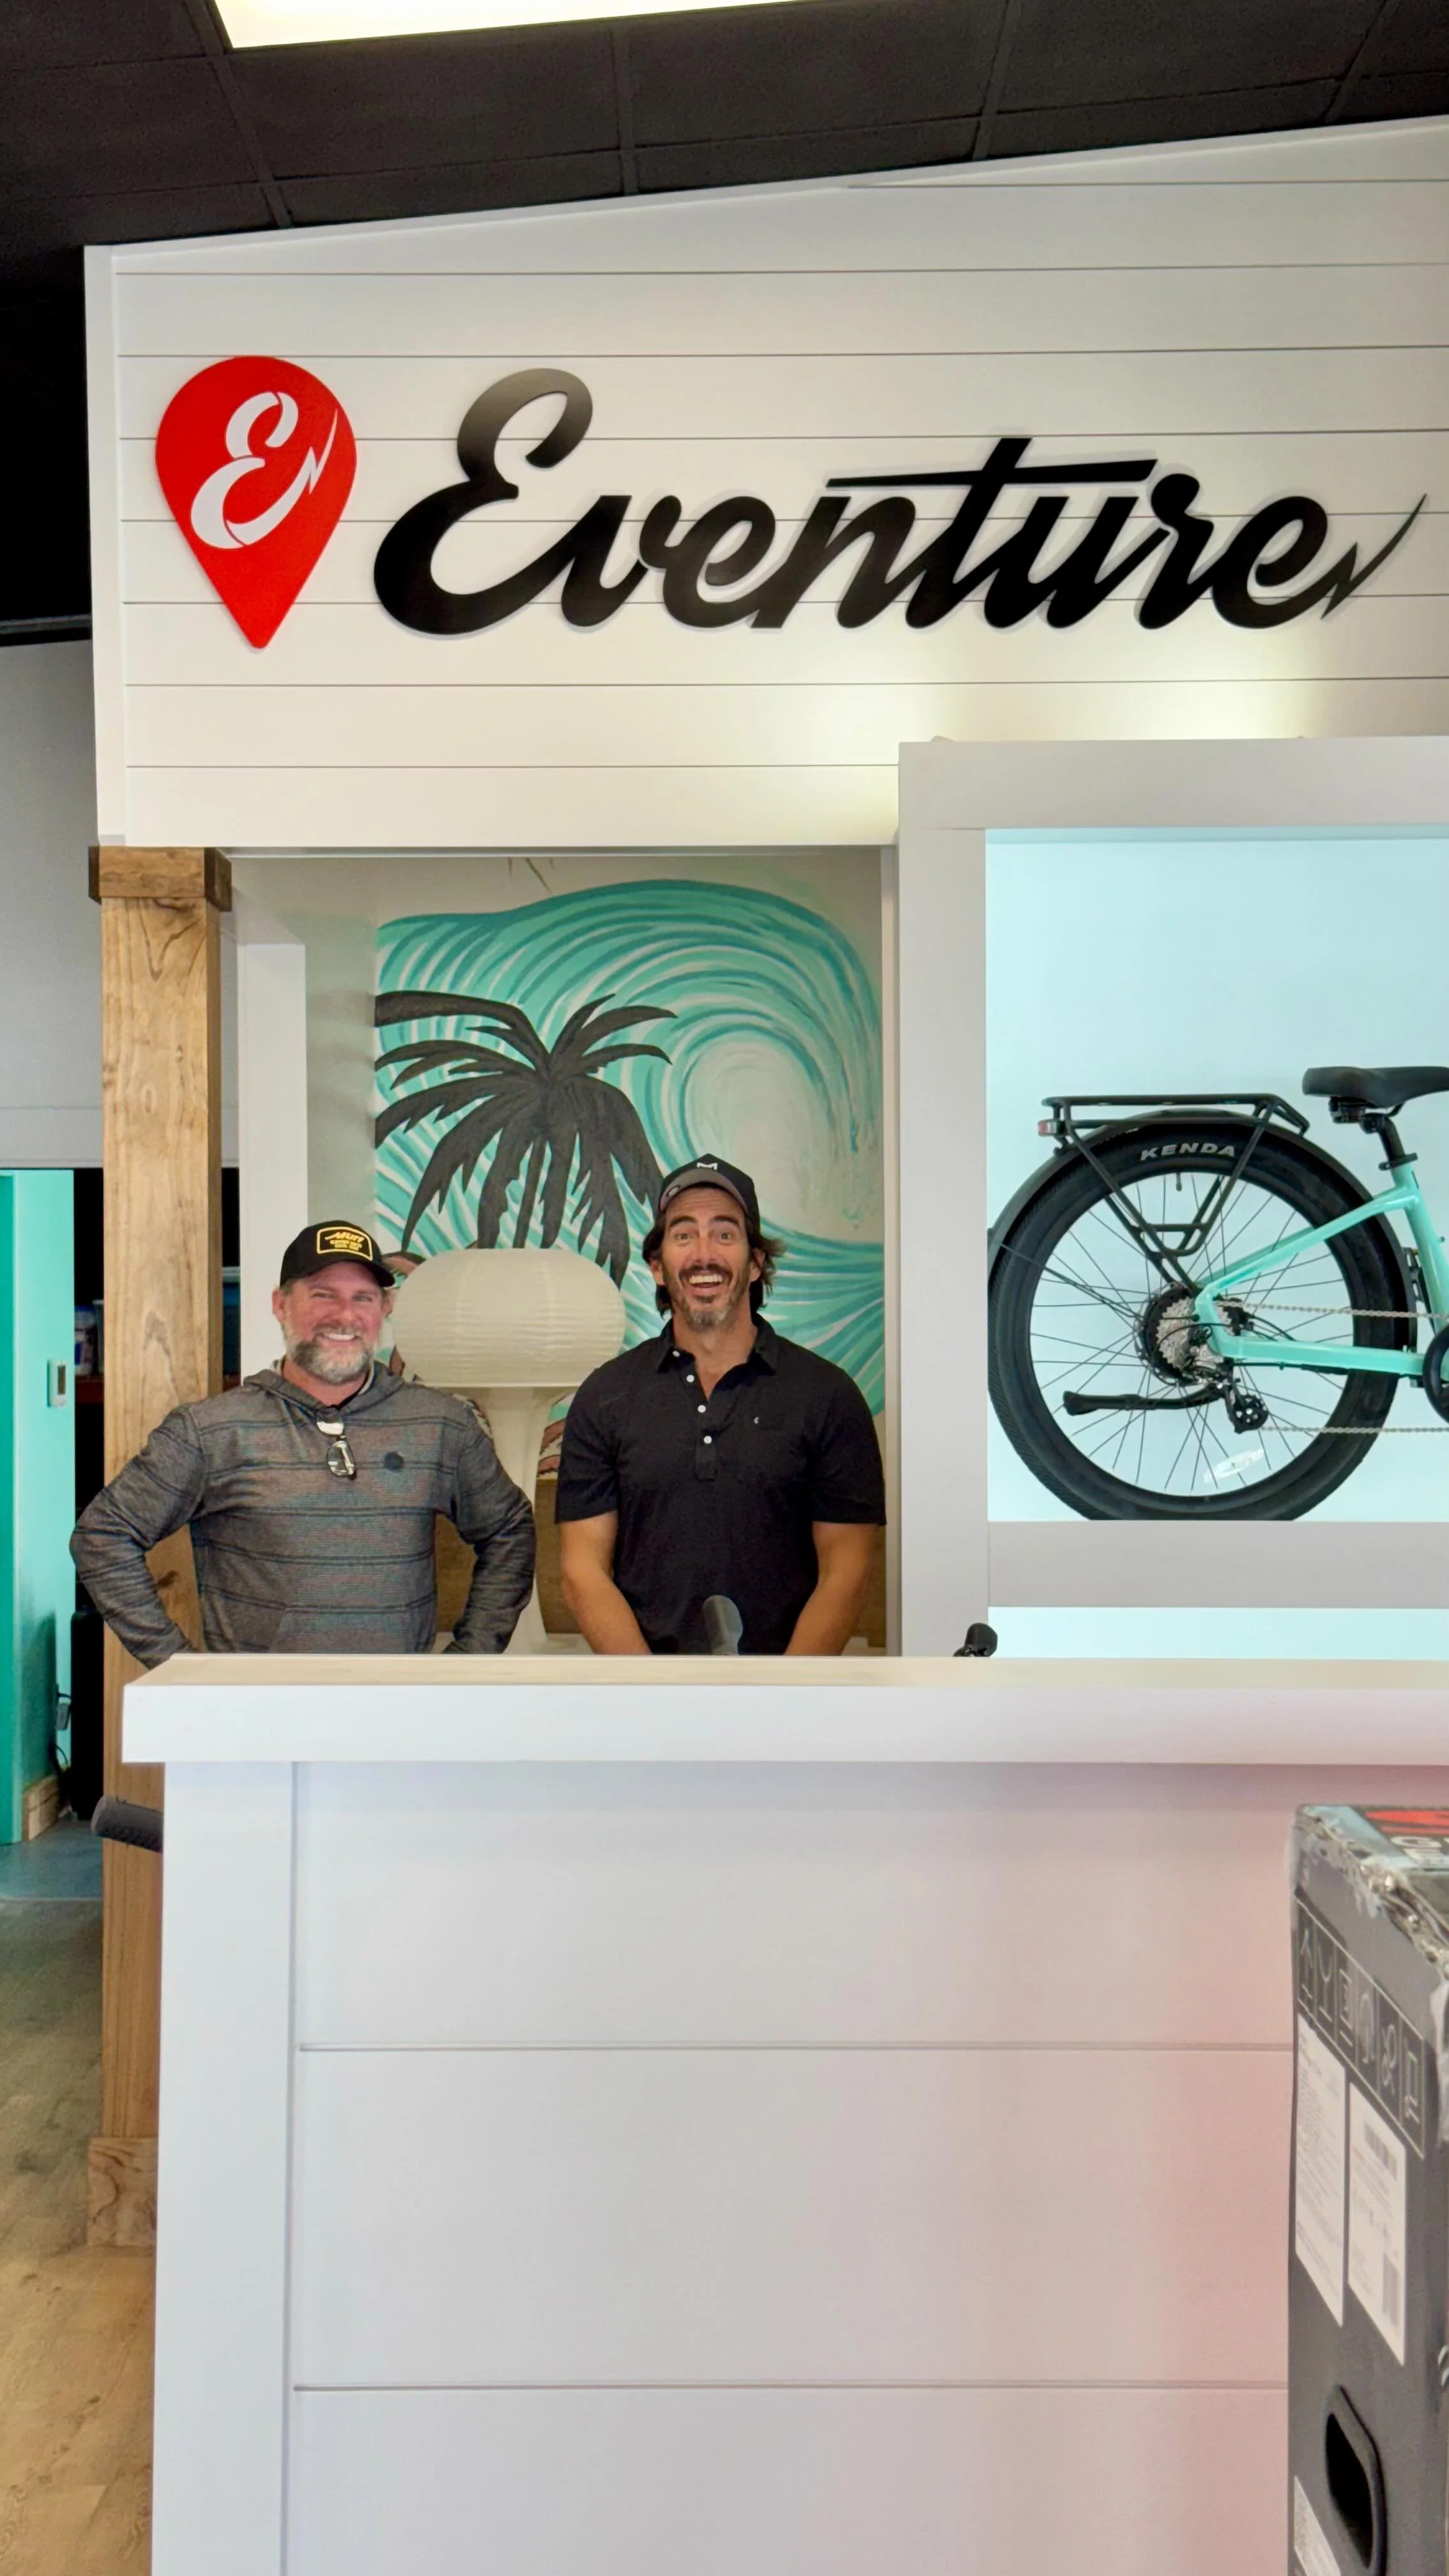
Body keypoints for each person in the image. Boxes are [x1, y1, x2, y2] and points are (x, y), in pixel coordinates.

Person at [72, 1221, 535, 1661]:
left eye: (363, 1298)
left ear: (385, 1308)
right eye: (323, 1294)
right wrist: (181, 1667)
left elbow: (510, 1530)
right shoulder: (211, 1430)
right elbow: (103, 1536)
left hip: (397, 1705)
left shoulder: (441, 1425)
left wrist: (470, 1659)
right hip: (261, 1710)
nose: (345, 1315)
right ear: (280, 1304)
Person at [556, 1156, 884, 1654]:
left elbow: (848, 1571)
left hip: (787, 1687)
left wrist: (788, 1690)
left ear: (755, 1263)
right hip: (646, 1688)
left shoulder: (828, 1396)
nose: (703, 1254)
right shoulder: (605, 1398)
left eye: (725, 1234)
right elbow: (582, 1571)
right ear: (658, 1266)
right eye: (684, 1235)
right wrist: (649, 1689)